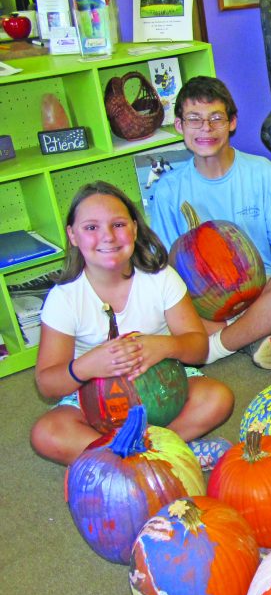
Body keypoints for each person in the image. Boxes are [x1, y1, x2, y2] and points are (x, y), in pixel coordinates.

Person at [30, 182, 234, 467]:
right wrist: (87, 366)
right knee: (47, 434)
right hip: (95, 400)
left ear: (135, 229)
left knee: (217, 398)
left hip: (165, 388)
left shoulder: (161, 278)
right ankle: (165, 455)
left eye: (118, 224)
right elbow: (48, 384)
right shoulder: (64, 298)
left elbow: (198, 348)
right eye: (91, 227)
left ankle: (128, 461)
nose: (108, 236)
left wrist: (164, 346)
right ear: (72, 236)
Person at [149, 76, 271, 370]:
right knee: (159, 311)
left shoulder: (263, 173)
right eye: (194, 119)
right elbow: (166, 271)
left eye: (216, 118)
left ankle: (217, 346)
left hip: (262, 288)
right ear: (179, 126)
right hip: (204, 301)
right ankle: (256, 332)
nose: (206, 128)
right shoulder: (167, 190)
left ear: (232, 123)